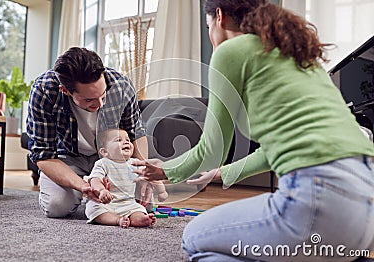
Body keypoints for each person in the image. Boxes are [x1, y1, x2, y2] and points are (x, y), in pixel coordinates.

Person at [133, 0, 374, 261]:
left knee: (194, 237)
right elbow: (273, 151)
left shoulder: (230, 51)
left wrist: (163, 170)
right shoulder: (297, 55)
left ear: (220, 17)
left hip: (318, 200)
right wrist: (220, 174)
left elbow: (211, 150)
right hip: (366, 206)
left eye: (207, 26)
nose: (210, 35)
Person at [27, 47, 153, 218]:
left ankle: (101, 197)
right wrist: (84, 186)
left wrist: (143, 174)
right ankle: (87, 196)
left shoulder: (121, 85)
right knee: (57, 207)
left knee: (147, 203)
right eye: (89, 100)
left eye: (103, 95)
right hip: (66, 158)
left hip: (111, 157)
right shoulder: (44, 91)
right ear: (66, 91)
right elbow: (43, 155)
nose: (100, 104)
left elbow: (135, 133)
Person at [85, 128, 168, 228]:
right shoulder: (103, 163)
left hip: (128, 203)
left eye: (128, 140)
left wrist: (161, 190)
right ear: (104, 151)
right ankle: (117, 220)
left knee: (138, 209)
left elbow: (149, 176)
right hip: (106, 203)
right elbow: (95, 179)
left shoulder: (135, 163)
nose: (126, 142)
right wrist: (101, 190)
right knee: (93, 209)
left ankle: (140, 219)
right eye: (119, 140)